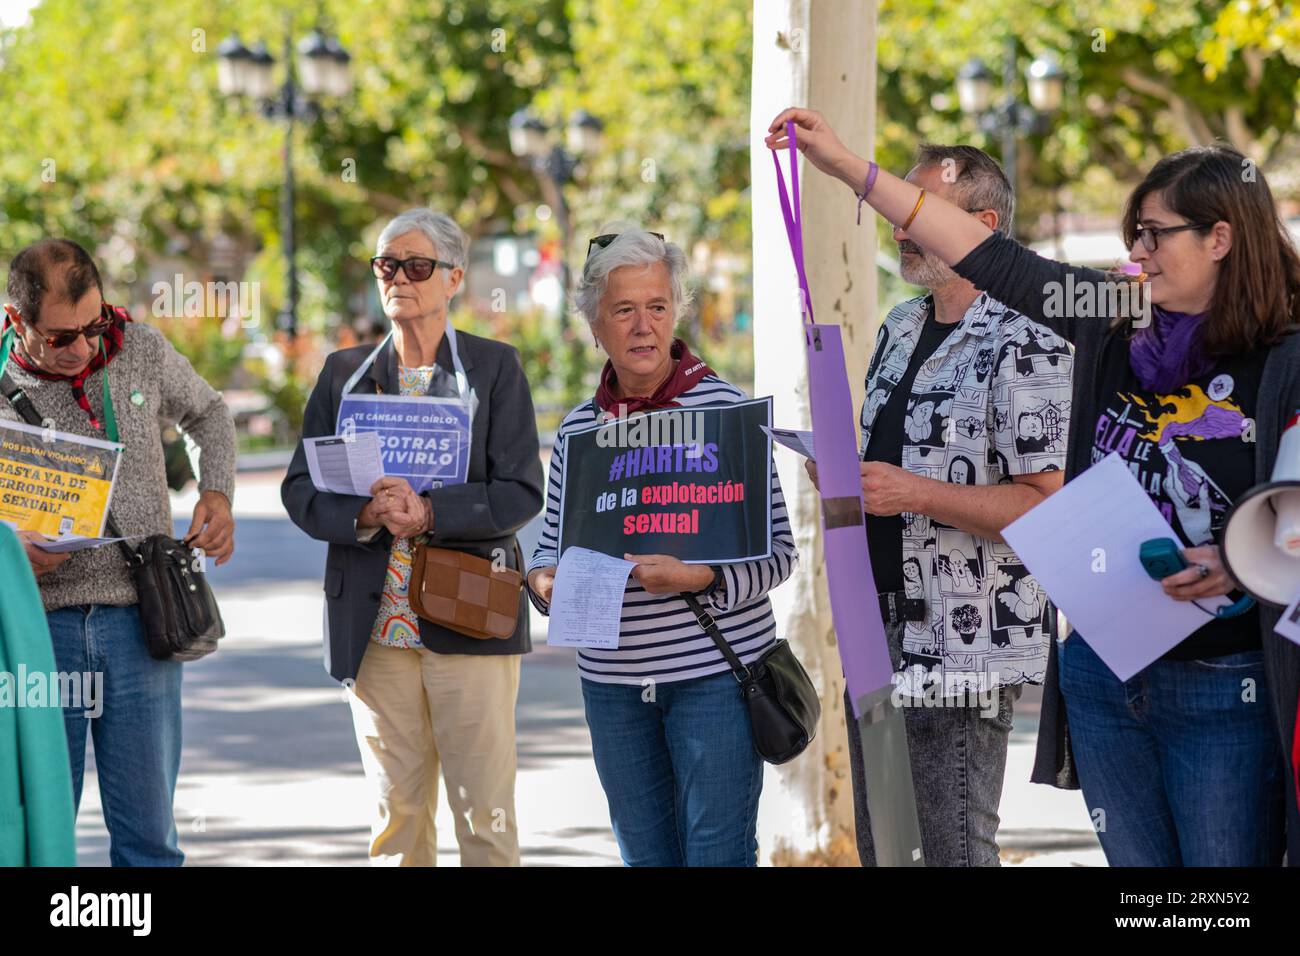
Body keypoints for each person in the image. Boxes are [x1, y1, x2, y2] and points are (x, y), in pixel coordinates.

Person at [769, 107, 1299, 866]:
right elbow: (993, 260)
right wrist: (847, 165)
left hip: (1225, 679)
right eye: (1133, 236)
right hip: (1107, 671)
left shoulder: (1283, 356)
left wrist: (1241, 560)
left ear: (1220, 239)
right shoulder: (1113, 320)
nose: (1137, 255)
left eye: (1155, 235)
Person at [805, 145, 1072, 866]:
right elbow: (882, 465)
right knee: (885, 842)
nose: (896, 228)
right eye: (892, 211)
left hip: (966, 640)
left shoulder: (1032, 337)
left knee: (952, 845)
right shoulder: (899, 325)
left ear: (982, 224)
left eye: (912, 211)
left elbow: (1047, 508)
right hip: (876, 620)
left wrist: (915, 493)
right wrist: (838, 474)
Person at [525, 227, 798, 867]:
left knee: (717, 853)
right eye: (623, 309)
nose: (642, 325)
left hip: (715, 679)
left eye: (656, 306)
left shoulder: (726, 412)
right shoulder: (578, 432)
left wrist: (700, 578)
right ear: (595, 323)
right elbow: (544, 557)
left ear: (675, 311)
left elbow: (780, 552)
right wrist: (545, 584)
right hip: (614, 688)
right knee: (644, 856)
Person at [282, 208, 544, 867]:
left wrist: (430, 513)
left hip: (470, 618)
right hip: (375, 633)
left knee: (484, 820)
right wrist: (364, 516)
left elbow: (520, 492)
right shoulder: (343, 373)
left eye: (417, 265)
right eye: (386, 265)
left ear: (454, 277)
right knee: (396, 827)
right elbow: (300, 489)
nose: (399, 277)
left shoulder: (494, 368)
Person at [1, 238, 237, 866]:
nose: (81, 347)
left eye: (93, 326)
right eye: (59, 338)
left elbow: (211, 414)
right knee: (33, 832)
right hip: (33, 633)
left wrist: (217, 492)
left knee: (149, 841)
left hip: (141, 624)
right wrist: (6, 552)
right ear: (18, 320)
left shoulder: (141, 349)